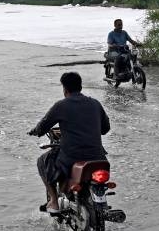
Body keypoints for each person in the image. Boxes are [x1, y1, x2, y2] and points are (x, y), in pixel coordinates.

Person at [27, 72, 111, 215]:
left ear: (65, 89)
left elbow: (42, 127)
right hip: (98, 156)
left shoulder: (61, 106)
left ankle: (53, 201)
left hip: (72, 156)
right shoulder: (95, 103)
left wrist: (34, 131)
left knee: (42, 161)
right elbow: (105, 129)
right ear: (80, 86)